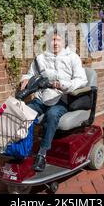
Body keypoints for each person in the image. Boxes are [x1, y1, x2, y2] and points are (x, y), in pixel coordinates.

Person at [20, 28, 88, 172]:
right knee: (24, 112)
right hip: (42, 98)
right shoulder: (41, 58)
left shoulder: (72, 57)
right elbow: (30, 74)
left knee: (52, 114)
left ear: (64, 41)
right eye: (53, 39)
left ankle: (42, 154)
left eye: (58, 40)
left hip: (62, 99)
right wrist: (25, 80)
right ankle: (22, 148)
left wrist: (63, 85)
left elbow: (82, 79)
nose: (55, 43)